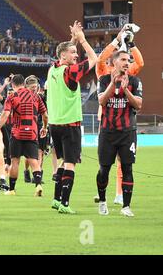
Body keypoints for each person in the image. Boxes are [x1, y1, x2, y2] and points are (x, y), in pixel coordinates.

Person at [47, 21, 98, 214]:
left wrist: (72, 40)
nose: (77, 55)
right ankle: (65, 204)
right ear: (63, 56)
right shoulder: (70, 72)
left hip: (55, 124)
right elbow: (94, 58)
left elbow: (63, 53)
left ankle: (55, 199)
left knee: (62, 162)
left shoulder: (53, 69)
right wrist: (83, 40)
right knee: (70, 164)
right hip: (70, 124)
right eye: (73, 53)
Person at [93, 25, 144, 205]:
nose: (126, 63)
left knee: (124, 165)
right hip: (106, 123)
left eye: (127, 60)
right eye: (122, 59)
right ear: (112, 62)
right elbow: (101, 58)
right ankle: (104, 194)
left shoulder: (130, 76)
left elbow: (140, 63)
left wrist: (131, 44)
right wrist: (117, 39)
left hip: (126, 125)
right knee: (105, 166)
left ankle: (120, 195)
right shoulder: (103, 73)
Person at [0, 75, 48, 197]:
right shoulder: (36, 96)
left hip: (17, 133)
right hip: (32, 133)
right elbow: (45, 115)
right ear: (24, 83)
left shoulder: (12, 96)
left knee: (15, 161)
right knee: (34, 161)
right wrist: (45, 127)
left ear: (13, 85)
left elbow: (5, 115)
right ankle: (38, 185)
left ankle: (11, 189)